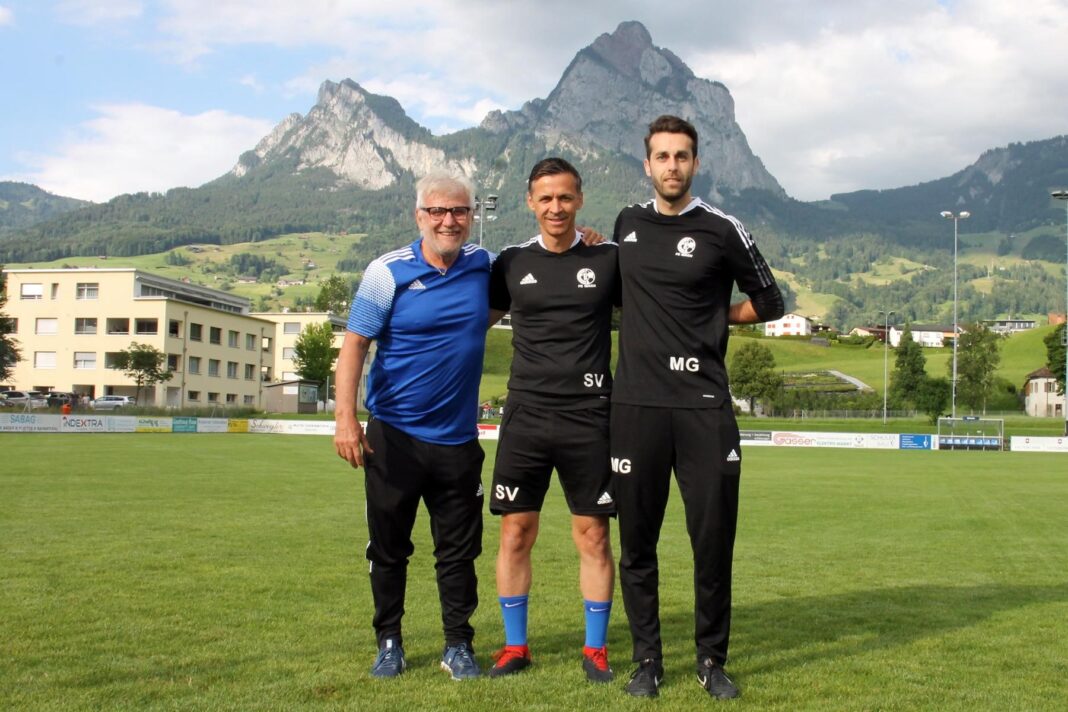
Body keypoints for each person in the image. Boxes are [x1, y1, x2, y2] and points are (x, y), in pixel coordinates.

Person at [609, 115, 784, 699]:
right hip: (636, 405)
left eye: (681, 156)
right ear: (647, 165)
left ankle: (711, 659)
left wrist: (717, 317)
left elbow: (771, 301)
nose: (672, 166)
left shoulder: (722, 228)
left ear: (696, 163)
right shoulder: (628, 223)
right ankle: (647, 661)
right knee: (637, 543)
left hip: (704, 407)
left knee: (711, 542)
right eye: (662, 156)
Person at [334, 170, 491, 681]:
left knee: (459, 553)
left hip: (458, 442)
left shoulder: (485, 265)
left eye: (460, 211)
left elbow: (540, 267)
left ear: (472, 215)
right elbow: (354, 346)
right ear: (419, 215)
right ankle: (389, 643)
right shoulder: (387, 272)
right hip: (394, 438)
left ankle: (458, 646)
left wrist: (587, 238)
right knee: (388, 549)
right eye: (438, 211)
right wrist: (345, 420)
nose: (449, 221)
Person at [485, 158, 619, 683]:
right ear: (530, 203)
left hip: (590, 415)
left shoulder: (608, 258)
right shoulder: (511, 262)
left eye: (565, 197)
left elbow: (652, 313)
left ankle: (595, 650)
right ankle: (515, 647)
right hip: (527, 415)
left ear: (580, 199)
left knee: (594, 535)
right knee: (516, 532)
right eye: (545, 198)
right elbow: (472, 324)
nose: (556, 207)